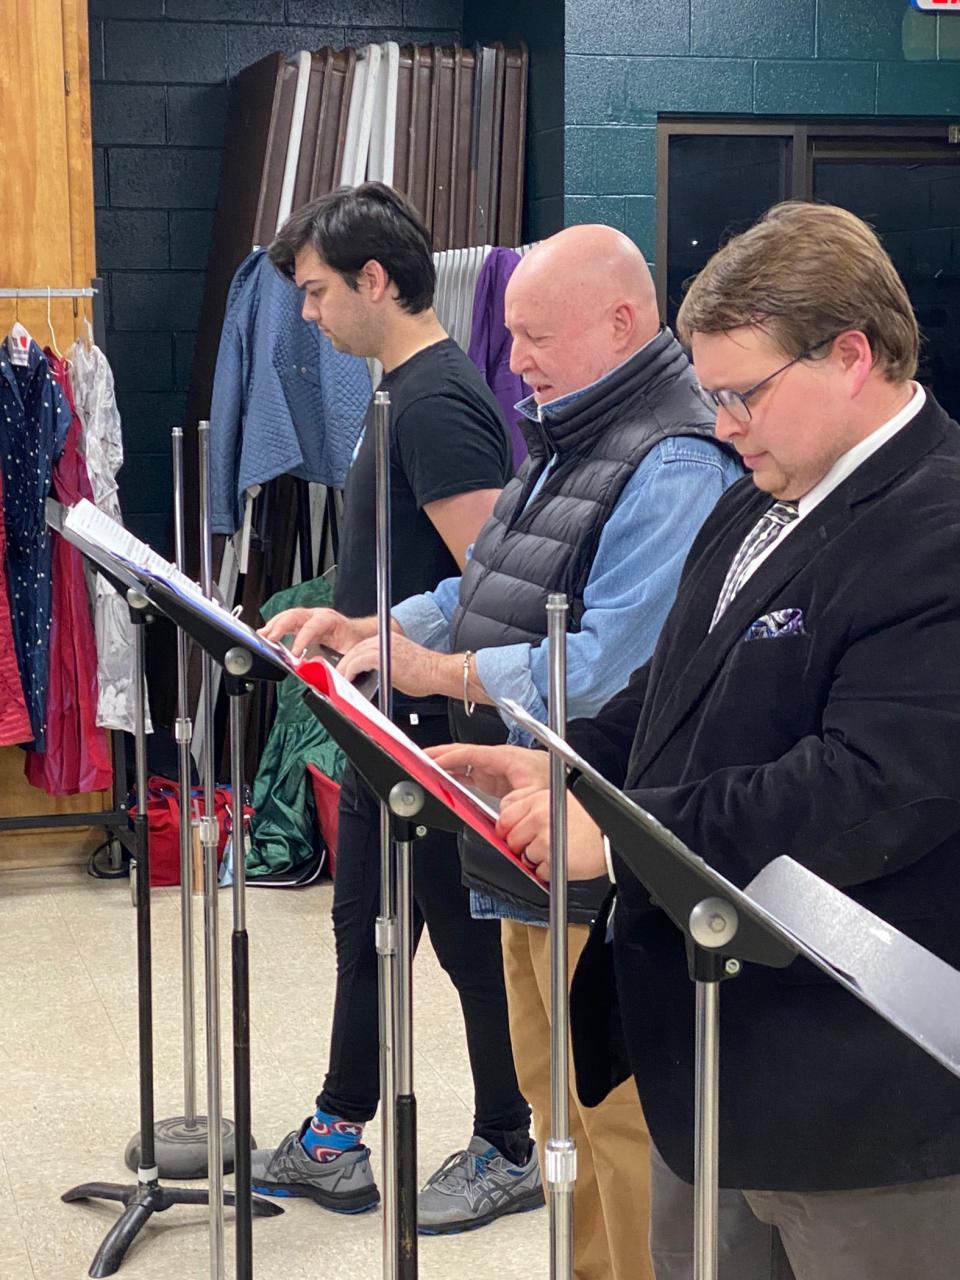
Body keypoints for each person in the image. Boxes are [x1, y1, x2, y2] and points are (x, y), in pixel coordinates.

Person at [436, 201, 960, 1280]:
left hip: (863, 1093)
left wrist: (620, 838)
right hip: (714, 1052)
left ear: (852, 356)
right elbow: (673, 697)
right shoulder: (761, 497)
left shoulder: (937, 527)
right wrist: (563, 759)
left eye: (742, 393)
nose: (721, 423)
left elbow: (869, 787)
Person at [286, 222, 742, 1275]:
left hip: (600, 846)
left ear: (621, 323)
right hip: (522, 833)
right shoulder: (571, 437)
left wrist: (440, 674)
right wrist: (377, 629)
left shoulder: (672, 460)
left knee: (618, 1128)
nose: (517, 357)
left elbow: (610, 660)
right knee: (559, 1114)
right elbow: (486, 585)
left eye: (534, 335)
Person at [251, 182, 540, 1234]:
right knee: (364, 928)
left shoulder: (438, 400)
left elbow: (493, 585)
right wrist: (340, 624)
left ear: (377, 279)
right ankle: (338, 1129)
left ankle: (509, 1141)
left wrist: (417, 674)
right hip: (381, 726)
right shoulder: (396, 389)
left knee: (465, 944)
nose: (310, 315)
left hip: (439, 736)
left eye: (321, 292)